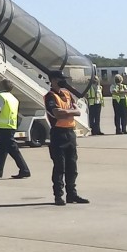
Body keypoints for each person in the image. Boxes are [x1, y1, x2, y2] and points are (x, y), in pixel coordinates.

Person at [44, 73, 88, 206]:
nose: (63, 82)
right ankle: (58, 196)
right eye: (60, 79)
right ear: (53, 80)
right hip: (58, 134)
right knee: (59, 167)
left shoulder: (67, 94)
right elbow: (57, 114)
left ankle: (72, 195)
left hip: (70, 133)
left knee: (72, 166)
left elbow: (78, 111)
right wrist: (71, 112)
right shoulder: (50, 96)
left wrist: (68, 112)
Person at [0, 80, 31, 179]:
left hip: (4, 127)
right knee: (1, 149)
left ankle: (24, 170)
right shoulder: (13, 98)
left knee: (13, 150)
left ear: (1, 85)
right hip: (10, 126)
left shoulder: (1, 97)